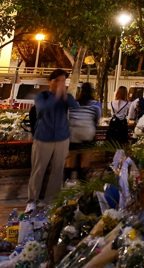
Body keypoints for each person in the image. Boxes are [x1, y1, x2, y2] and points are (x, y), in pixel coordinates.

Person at [27, 69, 78, 209]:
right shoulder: (42, 96)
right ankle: (32, 200)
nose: (60, 84)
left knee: (58, 170)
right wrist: (56, 97)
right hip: (43, 138)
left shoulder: (67, 97)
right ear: (50, 81)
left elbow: (76, 106)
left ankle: (52, 200)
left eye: (63, 81)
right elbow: (43, 108)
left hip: (62, 139)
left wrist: (64, 96)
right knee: (38, 170)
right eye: (57, 81)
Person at [67, 82, 101, 180]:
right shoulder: (96, 104)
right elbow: (97, 119)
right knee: (85, 161)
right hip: (87, 133)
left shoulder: (75, 103)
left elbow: (69, 117)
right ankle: (82, 181)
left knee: (70, 160)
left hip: (74, 133)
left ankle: (67, 180)